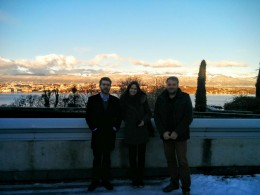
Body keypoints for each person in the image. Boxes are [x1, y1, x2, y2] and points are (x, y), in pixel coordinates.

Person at [154, 76, 193, 195]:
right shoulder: (161, 98)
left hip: (180, 136)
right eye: (169, 84)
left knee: (182, 162)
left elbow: (188, 117)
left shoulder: (185, 97)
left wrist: (177, 132)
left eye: (173, 84)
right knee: (170, 160)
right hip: (166, 136)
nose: (171, 86)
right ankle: (174, 183)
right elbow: (157, 117)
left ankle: (186, 188)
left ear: (177, 85)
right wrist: (163, 132)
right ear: (166, 85)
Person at [85, 77, 121, 192]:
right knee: (96, 159)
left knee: (107, 158)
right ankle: (95, 181)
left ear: (110, 86)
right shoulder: (92, 99)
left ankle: (106, 180)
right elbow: (88, 116)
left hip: (110, 134)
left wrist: (115, 127)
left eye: (108, 84)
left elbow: (119, 116)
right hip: (97, 134)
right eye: (104, 84)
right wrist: (93, 129)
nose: (106, 86)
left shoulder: (115, 100)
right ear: (100, 86)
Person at [120, 81, 152, 188]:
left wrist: (143, 121)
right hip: (130, 130)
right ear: (128, 89)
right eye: (131, 88)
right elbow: (121, 113)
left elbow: (149, 113)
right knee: (132, 156)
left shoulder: (143, 98)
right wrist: (129, 120)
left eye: (135, 88)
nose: (133, 90)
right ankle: (134, 178)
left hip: (142, 130)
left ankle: (140, 178)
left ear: (138, 89)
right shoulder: (123, 99)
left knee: (141, 156)